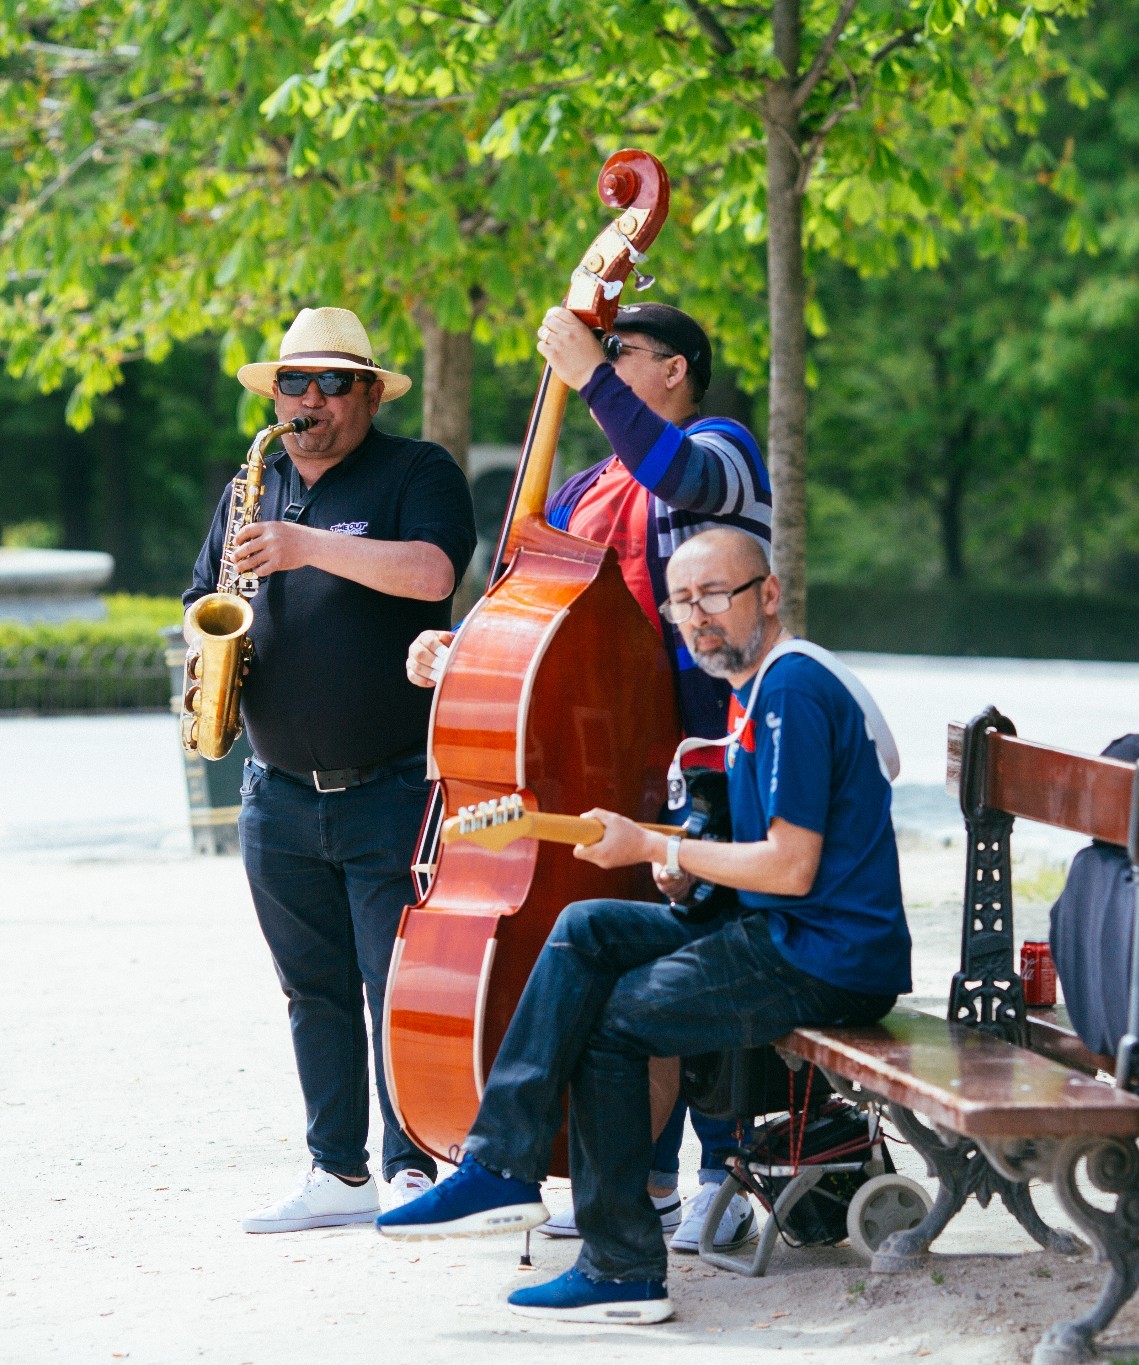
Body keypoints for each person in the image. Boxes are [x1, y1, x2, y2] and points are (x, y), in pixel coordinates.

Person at [377, 527, 911, 1325]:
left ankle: (623, 1267)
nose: (698, 617)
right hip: (783, 930)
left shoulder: (795, 689)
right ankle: (502, 1164)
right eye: (682, 601)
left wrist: (658, 844)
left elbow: (793, 867)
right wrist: (686, 859)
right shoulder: (753, 686)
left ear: (768, 594)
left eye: (716, 596)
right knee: (587, 926)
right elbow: (762, 854)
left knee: (615, 1021)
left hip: (827, 956)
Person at [404, 301, 769, 1249]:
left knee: (700, 966)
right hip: (609, 762)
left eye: (622, 355)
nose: (601, 365)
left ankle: (726, 1175)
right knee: (627, 971)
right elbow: (526, 610)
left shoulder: (721, 449)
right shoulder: (581, 488)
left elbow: (675, 469)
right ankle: (637, 1180)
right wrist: (463, 648)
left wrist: (587, 374)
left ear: (676, 369)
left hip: (705, 759)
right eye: (600, 354)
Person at [186, 307, 476, 1233]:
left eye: (331, 383)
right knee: (310, 990)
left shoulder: (414, 471)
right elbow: (203, 598)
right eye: (293, 383)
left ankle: (412, 1164)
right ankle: (335, 1170)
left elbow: (433, 573)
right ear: (273, 394)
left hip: (388, 784)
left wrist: (309, 547)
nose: (309, 401)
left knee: (396, 981)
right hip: (275, 792)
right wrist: (210, 650)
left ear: (366, 392)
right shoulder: (255, 481)